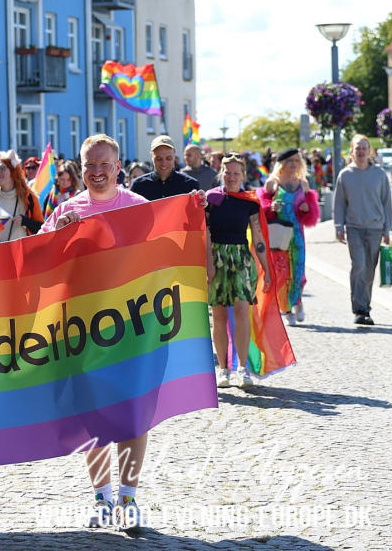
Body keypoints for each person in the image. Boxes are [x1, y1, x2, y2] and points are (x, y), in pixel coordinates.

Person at [42, 134, 206, 531]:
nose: (97, 173)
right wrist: (57, 237)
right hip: (84, 333)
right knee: (93, 419)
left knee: (134, 416)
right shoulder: (66, 210)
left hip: (135, 330)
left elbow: (170, 249)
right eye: (89, 166)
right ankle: (101, 497)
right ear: (80, 169)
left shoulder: (139, 207)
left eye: (104, 165)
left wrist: (193, 213)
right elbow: (40, 266)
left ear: (118, 168)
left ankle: (128, 496)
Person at [206, 156, 273, 388]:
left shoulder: (250, 202)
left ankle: (242, 368)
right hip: (216, 258)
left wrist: (267, 268)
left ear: (243, 176)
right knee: (219, 315)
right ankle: (223, 369)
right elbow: (204, 233)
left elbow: (258, 237)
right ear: (221, 173)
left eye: (236, 173)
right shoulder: (211, 199)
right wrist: (208, 263)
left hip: (241, 260)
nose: (231, 177)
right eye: (227, 173)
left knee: (243, 311)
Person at [334, 135, 392, 325]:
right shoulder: (345, 175)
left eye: (364, 148)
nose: (360, 152)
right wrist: (338, 226)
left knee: (369, 271)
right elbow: (340, 203)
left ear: (370, 151)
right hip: (354, 228)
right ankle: (359, 309)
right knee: (358, 265)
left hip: (375, 228)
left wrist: (387, 229)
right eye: (357, 148)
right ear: (352, 151)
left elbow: (386, 203)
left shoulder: (379, 174)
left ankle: (365, 308)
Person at [258, 148, 320, 326]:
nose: (293, 164)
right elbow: (261, 210)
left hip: (297, 235)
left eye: (296, 160)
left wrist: (307, 209)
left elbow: (313, 212)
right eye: (289, 160)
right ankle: (285, 309)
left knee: (299, 272)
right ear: (282, 163)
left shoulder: (303, 184)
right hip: (279, 236)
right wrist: (270, 209)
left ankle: (298, 301)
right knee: (282, 273)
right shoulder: (272, 184)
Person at [0, 151, 44, 242]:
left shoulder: (29, 197)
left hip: (22, 252)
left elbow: (41, 228)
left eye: (2, 168)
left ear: (13, 171)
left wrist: (26, 221)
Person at [130, 135, 199, 200]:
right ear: (151, 156)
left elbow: (198, 211)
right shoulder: (138, 186)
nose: (164, 163)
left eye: (168, 158)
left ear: (174, 155)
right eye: (159, 159)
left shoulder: (190, 185)